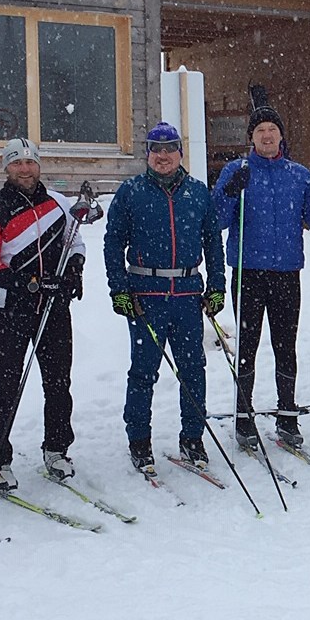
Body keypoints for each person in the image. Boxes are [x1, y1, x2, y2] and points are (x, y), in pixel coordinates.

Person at [211, 106, 310, 449]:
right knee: (247, 348)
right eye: (260, 130)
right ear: (251, 137)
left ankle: (287, 414)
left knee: (286, 345)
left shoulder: (298, 175)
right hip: (248, 271)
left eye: (272, 129)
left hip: (285, 273)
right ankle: (243, 416)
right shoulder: (237, 171)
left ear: (281, 135)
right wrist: (228, 192)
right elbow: (218, 220)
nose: (267, 135)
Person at [104, 122, 227, 472]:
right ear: (148, 154)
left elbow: (213, 243)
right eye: (156, 150)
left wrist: (216, 285)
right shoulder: (131, 192)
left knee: (193, 370)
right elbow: (113, 242)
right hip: (146, 296)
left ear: (179, 153)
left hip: (187, 295)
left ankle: (193, 438)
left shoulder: (198, 193)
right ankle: (139, 440)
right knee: (144, 372)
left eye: (169, 149)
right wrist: (119, 289)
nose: (162, 156)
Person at [0, 139, 87, 491]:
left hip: (54, 310)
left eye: (30, 162)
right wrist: (30, 284)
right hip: (11, 311)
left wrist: (73, 272)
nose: (25, 168)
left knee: (58, 382)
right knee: (5, 386)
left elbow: (75, 244)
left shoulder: (58, 204)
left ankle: (56, 448)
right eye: (17, 163)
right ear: (6, 168)